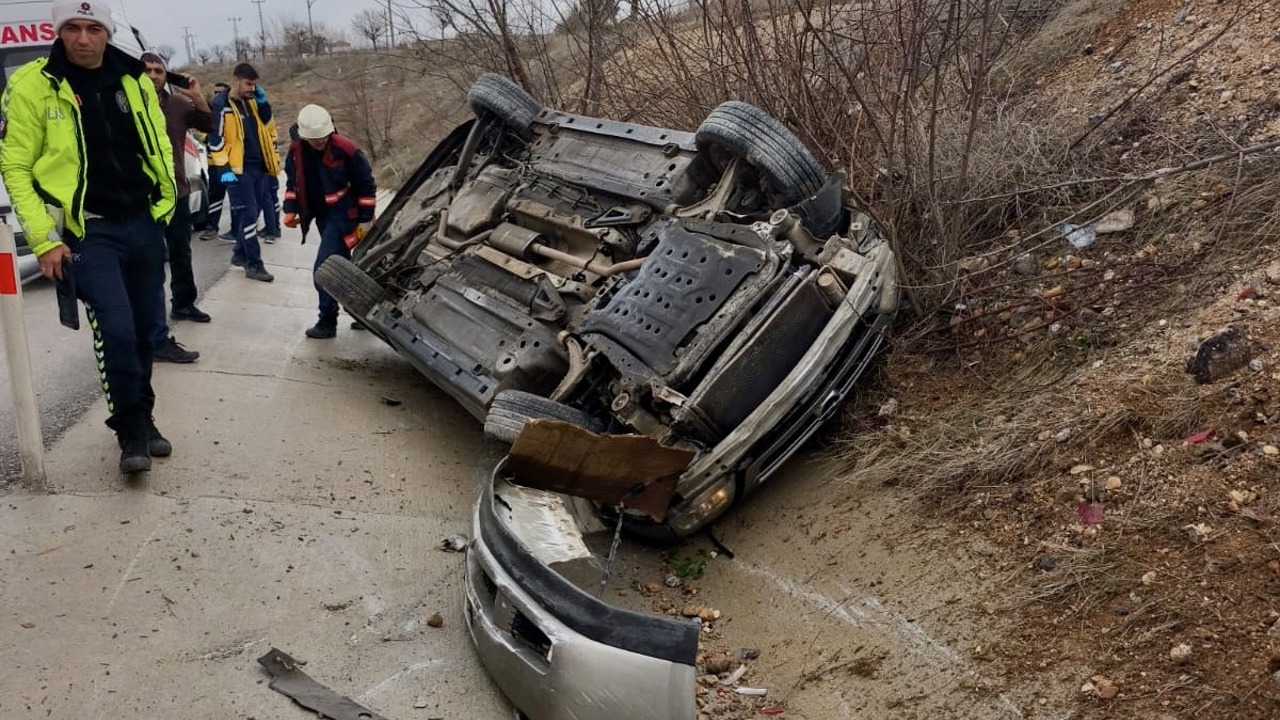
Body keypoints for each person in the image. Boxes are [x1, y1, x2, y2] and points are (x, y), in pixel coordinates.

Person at [0, 1, 177, 473]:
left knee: (145, 331)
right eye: (73, 28)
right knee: (116, 330)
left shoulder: (134, 78)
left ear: (107, 32)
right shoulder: (32, 84)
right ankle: (129, 430)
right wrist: (44, 239)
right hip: (88, 230)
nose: (83, 38)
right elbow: (15, 166)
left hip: (141, 221)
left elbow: (157, 142)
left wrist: (164, 205)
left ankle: (144, 415)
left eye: (93, 28)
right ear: (59, 32)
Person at [141, 51, 213, 364]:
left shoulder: (178, 105)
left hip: (177, 192)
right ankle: (151, 328)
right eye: (147, 70)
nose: (153, 76)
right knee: (150, 260)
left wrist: (196, 94)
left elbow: (209, 124)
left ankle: (184, 303)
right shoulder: (127, 103)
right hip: (142, 198)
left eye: (159, 71)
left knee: (181, 251)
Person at [283, 104, 377, 339]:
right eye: (315, 138)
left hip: (343, 214)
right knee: (343, 267)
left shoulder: (346, 149)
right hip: (322, 216)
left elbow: (366, 185)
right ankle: (362, 314)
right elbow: (293, 183)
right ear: (304, 136)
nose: (321, 141)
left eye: (324, 136)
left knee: (325, 269)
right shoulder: (296, 152)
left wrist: (365, 219)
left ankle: (327, 322)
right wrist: (290, 209)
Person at [206, 62, 277, 282]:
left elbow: (267, 125)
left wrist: (264, 104)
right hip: (237, 170)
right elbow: (215, 140)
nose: (252, 88)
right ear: (236, 81)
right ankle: (254, 264)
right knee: (248, 215)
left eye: (255, 85)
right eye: (248, 84)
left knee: (253, 214)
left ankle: (239, 253)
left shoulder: (252, 102)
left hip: (258, 167)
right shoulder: (221, 105)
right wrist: (224, 170)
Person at [198, 81, 230, 242]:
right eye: (215, 92)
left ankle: (239, 228)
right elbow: (202, 132)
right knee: (215, 195)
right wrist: (208, 138)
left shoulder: (232, 112)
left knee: (237, 196)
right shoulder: (209, 112)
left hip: (231, 164)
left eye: (220, 92)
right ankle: (211, 226)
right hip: (214, 164)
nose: (217, 95)